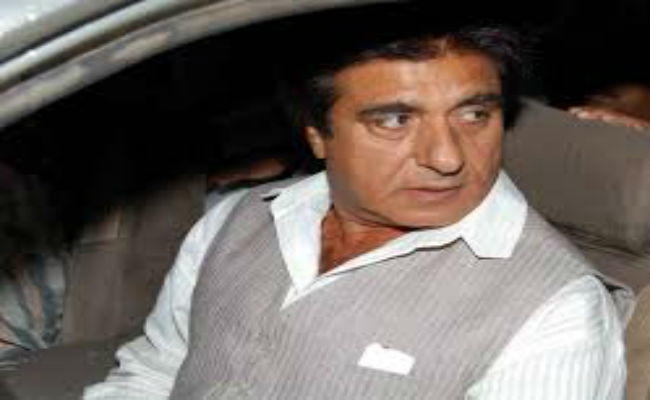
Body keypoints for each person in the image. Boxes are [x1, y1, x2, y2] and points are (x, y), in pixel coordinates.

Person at [84, 14, 629, 399]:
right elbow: (155, 373)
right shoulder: (236, 219)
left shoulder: (554, 314)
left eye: (474, 115)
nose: (446, 158)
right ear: (316, 132)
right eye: (395, 120)